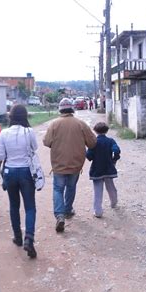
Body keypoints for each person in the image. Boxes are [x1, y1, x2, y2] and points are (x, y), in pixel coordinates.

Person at [43, 98, 96, 233]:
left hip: (59, 164)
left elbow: (46, 142)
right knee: (71, 187)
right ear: (72, 109)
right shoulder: (81, 124)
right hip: (76, 164)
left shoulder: (54, 124)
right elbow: (92, 143)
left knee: (58, 189)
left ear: (60, 109)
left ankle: (60, 216)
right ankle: (67, 210)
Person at [0, 104, 38, 258]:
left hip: (9, 172)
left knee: (14, 206)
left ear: (11, 116)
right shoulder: (29, 132)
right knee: (30, 207)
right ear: (25, 116)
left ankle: (18, 237)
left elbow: (0, 157)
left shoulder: (4, 133)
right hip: (27, 171)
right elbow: (35, 148)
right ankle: (29, 238)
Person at [86, 122, 121, 218]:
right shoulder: (111, 141)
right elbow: (116, 150)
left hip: (97, 169)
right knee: (111, 187)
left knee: (98, 190)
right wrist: (114, 160)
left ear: (95, 131)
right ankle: (114, 202)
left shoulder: (94, 142)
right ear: (107, 130)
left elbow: (89, 156)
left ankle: (98, 211)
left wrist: (88, 153)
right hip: (108, 168)